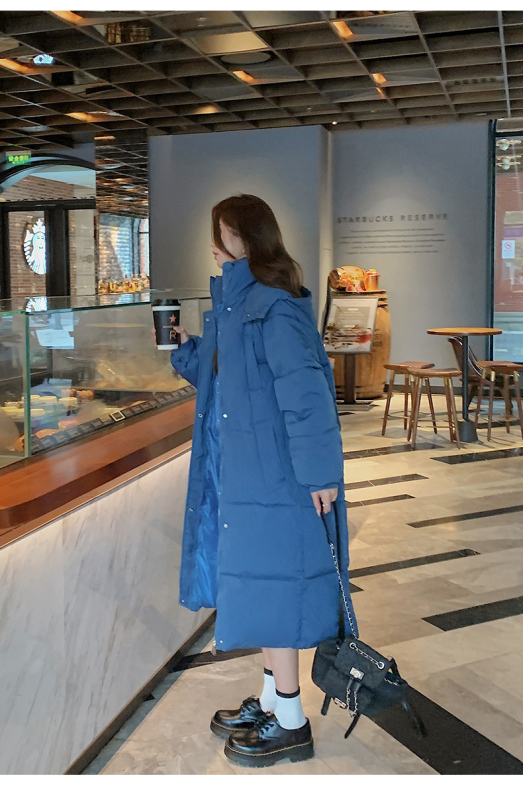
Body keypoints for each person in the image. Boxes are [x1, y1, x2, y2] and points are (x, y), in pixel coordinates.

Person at [171, 194, 357, 769]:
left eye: (222, 233)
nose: (214, 243)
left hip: (278, 478)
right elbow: (226, 379)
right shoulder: (239, 303)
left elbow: (307, 395)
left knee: (275, 593)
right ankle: (275, 701)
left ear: (245, 238)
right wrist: (184, 350)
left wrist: (320, 474)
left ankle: (292, 724)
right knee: (259, 588)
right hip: (250, 475)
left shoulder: (273, 307)